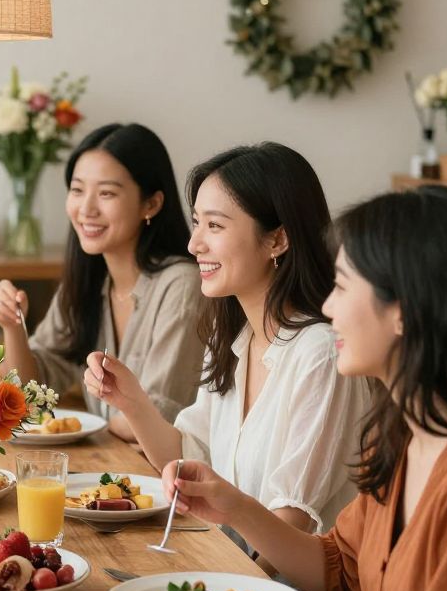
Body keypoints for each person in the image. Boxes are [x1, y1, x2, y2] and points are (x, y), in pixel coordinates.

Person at [161, 186, 447, 591]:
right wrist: (234, 507)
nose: (327, 308)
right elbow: (339, 568)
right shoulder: (403, 438)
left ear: (403, 309)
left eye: (344, 287)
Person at [85, 143, 370, 569]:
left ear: (277, 238)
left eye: (214, 226)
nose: (194, 242)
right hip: (234, 574)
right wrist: (130, 400)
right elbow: (188, 459)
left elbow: (293, 519)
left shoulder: (321, 353)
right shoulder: (232, 335)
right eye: (197, 222)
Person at [0, 123, 203, 435]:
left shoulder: (182, 285)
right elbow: (27, 394)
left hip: (167, 476)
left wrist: (85, 432)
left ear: (151, 204)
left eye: (106, 193)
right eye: (77, 190)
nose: (86, 208)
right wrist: (12, 326)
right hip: (113, 467)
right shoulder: (88, 281)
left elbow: (160, 416)